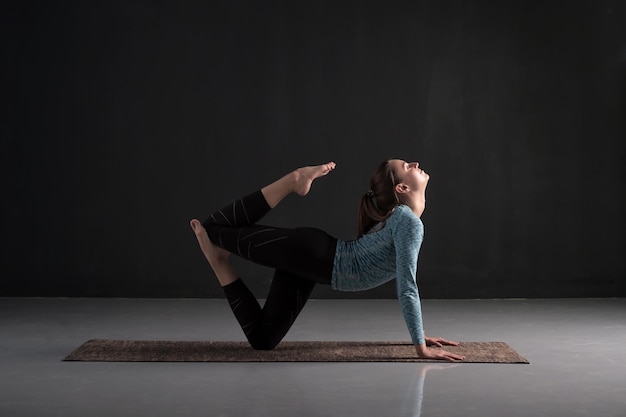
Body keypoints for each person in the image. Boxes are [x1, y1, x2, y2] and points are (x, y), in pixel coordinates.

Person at [190, 160, 465, 361]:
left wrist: (420, 334)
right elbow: (407, 285)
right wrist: (420, 345)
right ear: (403, 187)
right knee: (213, 228)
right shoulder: (407, 221)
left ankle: (217, 261)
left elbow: (405, 283)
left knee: (262, 340)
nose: (415, 163)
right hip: (311, 253)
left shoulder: (400, 219)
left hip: (313, 266)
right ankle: (293, 180)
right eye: (407, 165)